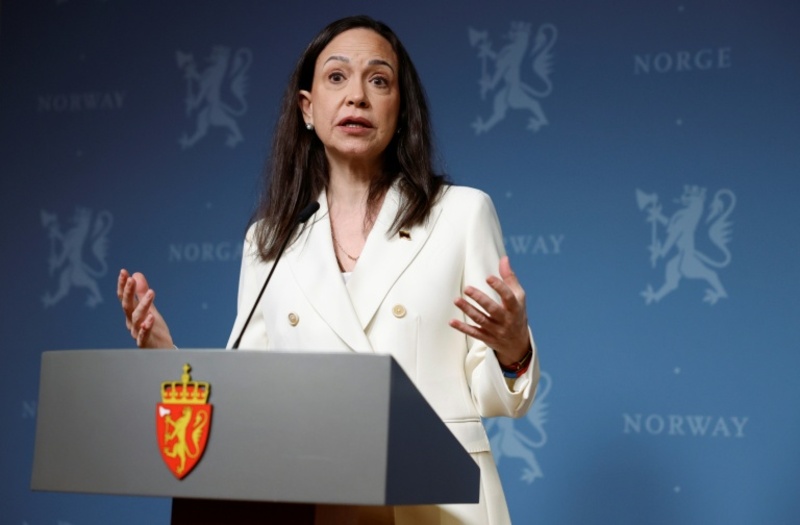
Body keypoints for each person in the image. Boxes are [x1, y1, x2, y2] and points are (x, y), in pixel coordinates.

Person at [118, 15, 539, 525]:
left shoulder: (461, 214)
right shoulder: (269, 241)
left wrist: (512, 349)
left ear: (401, 108)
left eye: (378, 80)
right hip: (319, 499)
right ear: (307, 108)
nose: (356, 96)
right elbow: (249, 399)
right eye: (336, 77)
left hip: (441, 502)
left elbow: (498, 395)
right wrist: (167, 359)